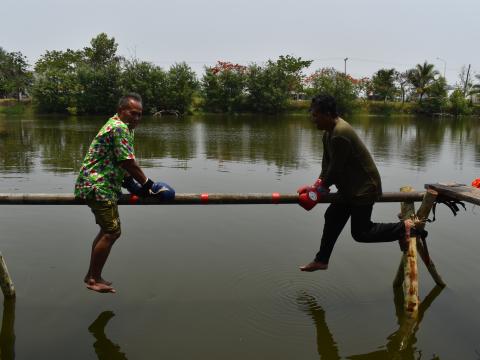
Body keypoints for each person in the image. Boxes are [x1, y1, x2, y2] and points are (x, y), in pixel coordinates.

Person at [297, 94, 422, 272]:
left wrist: (318, 192)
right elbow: (327, 166)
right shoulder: (328, 133)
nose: (313, 118)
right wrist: (316, 187)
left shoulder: (340, 133)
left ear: (326, 113)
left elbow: (336, 169)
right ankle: (322, 260)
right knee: (332, 217)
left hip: (364, 189)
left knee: (362, 233)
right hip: (349, 189)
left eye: (315, 115)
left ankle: (404, 227)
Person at [74, 93, 174, 293]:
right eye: (133, 113)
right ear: (121, 111)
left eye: (140, 114)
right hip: (98, 185)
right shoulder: (119, 127)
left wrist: (134, 187)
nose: (137, 118)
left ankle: (92, 275)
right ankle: (93, 279)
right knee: (112, 231)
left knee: (106, 230)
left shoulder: (124, 127)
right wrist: (148, 185)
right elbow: (127, 162)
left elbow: (119, 163)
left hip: (103, 184)